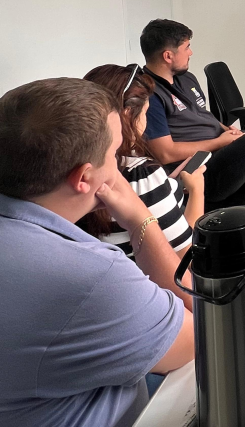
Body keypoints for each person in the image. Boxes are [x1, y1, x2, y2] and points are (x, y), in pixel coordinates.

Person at [0, 78, 194, 426]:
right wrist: (141, 217)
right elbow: (195, 336)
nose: (120, 163)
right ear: (85, 178)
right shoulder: (91, 278)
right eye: (114, 154)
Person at [140, 19, 245, 211]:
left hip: (223, 155)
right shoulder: (148, 96)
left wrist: (227, 131)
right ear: (168, 56)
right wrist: (220, 142)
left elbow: (202, 116)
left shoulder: (186, 78)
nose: (191, 53)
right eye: (187, 47)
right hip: (199, 175)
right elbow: (165, 153)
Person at [78, 65, 203, 311]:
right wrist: (197, 190)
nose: (146, 123)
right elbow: (183, 260)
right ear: (125, 115)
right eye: (145, 113)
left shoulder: (72, 174)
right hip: (159, 304)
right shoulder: (140, 174)